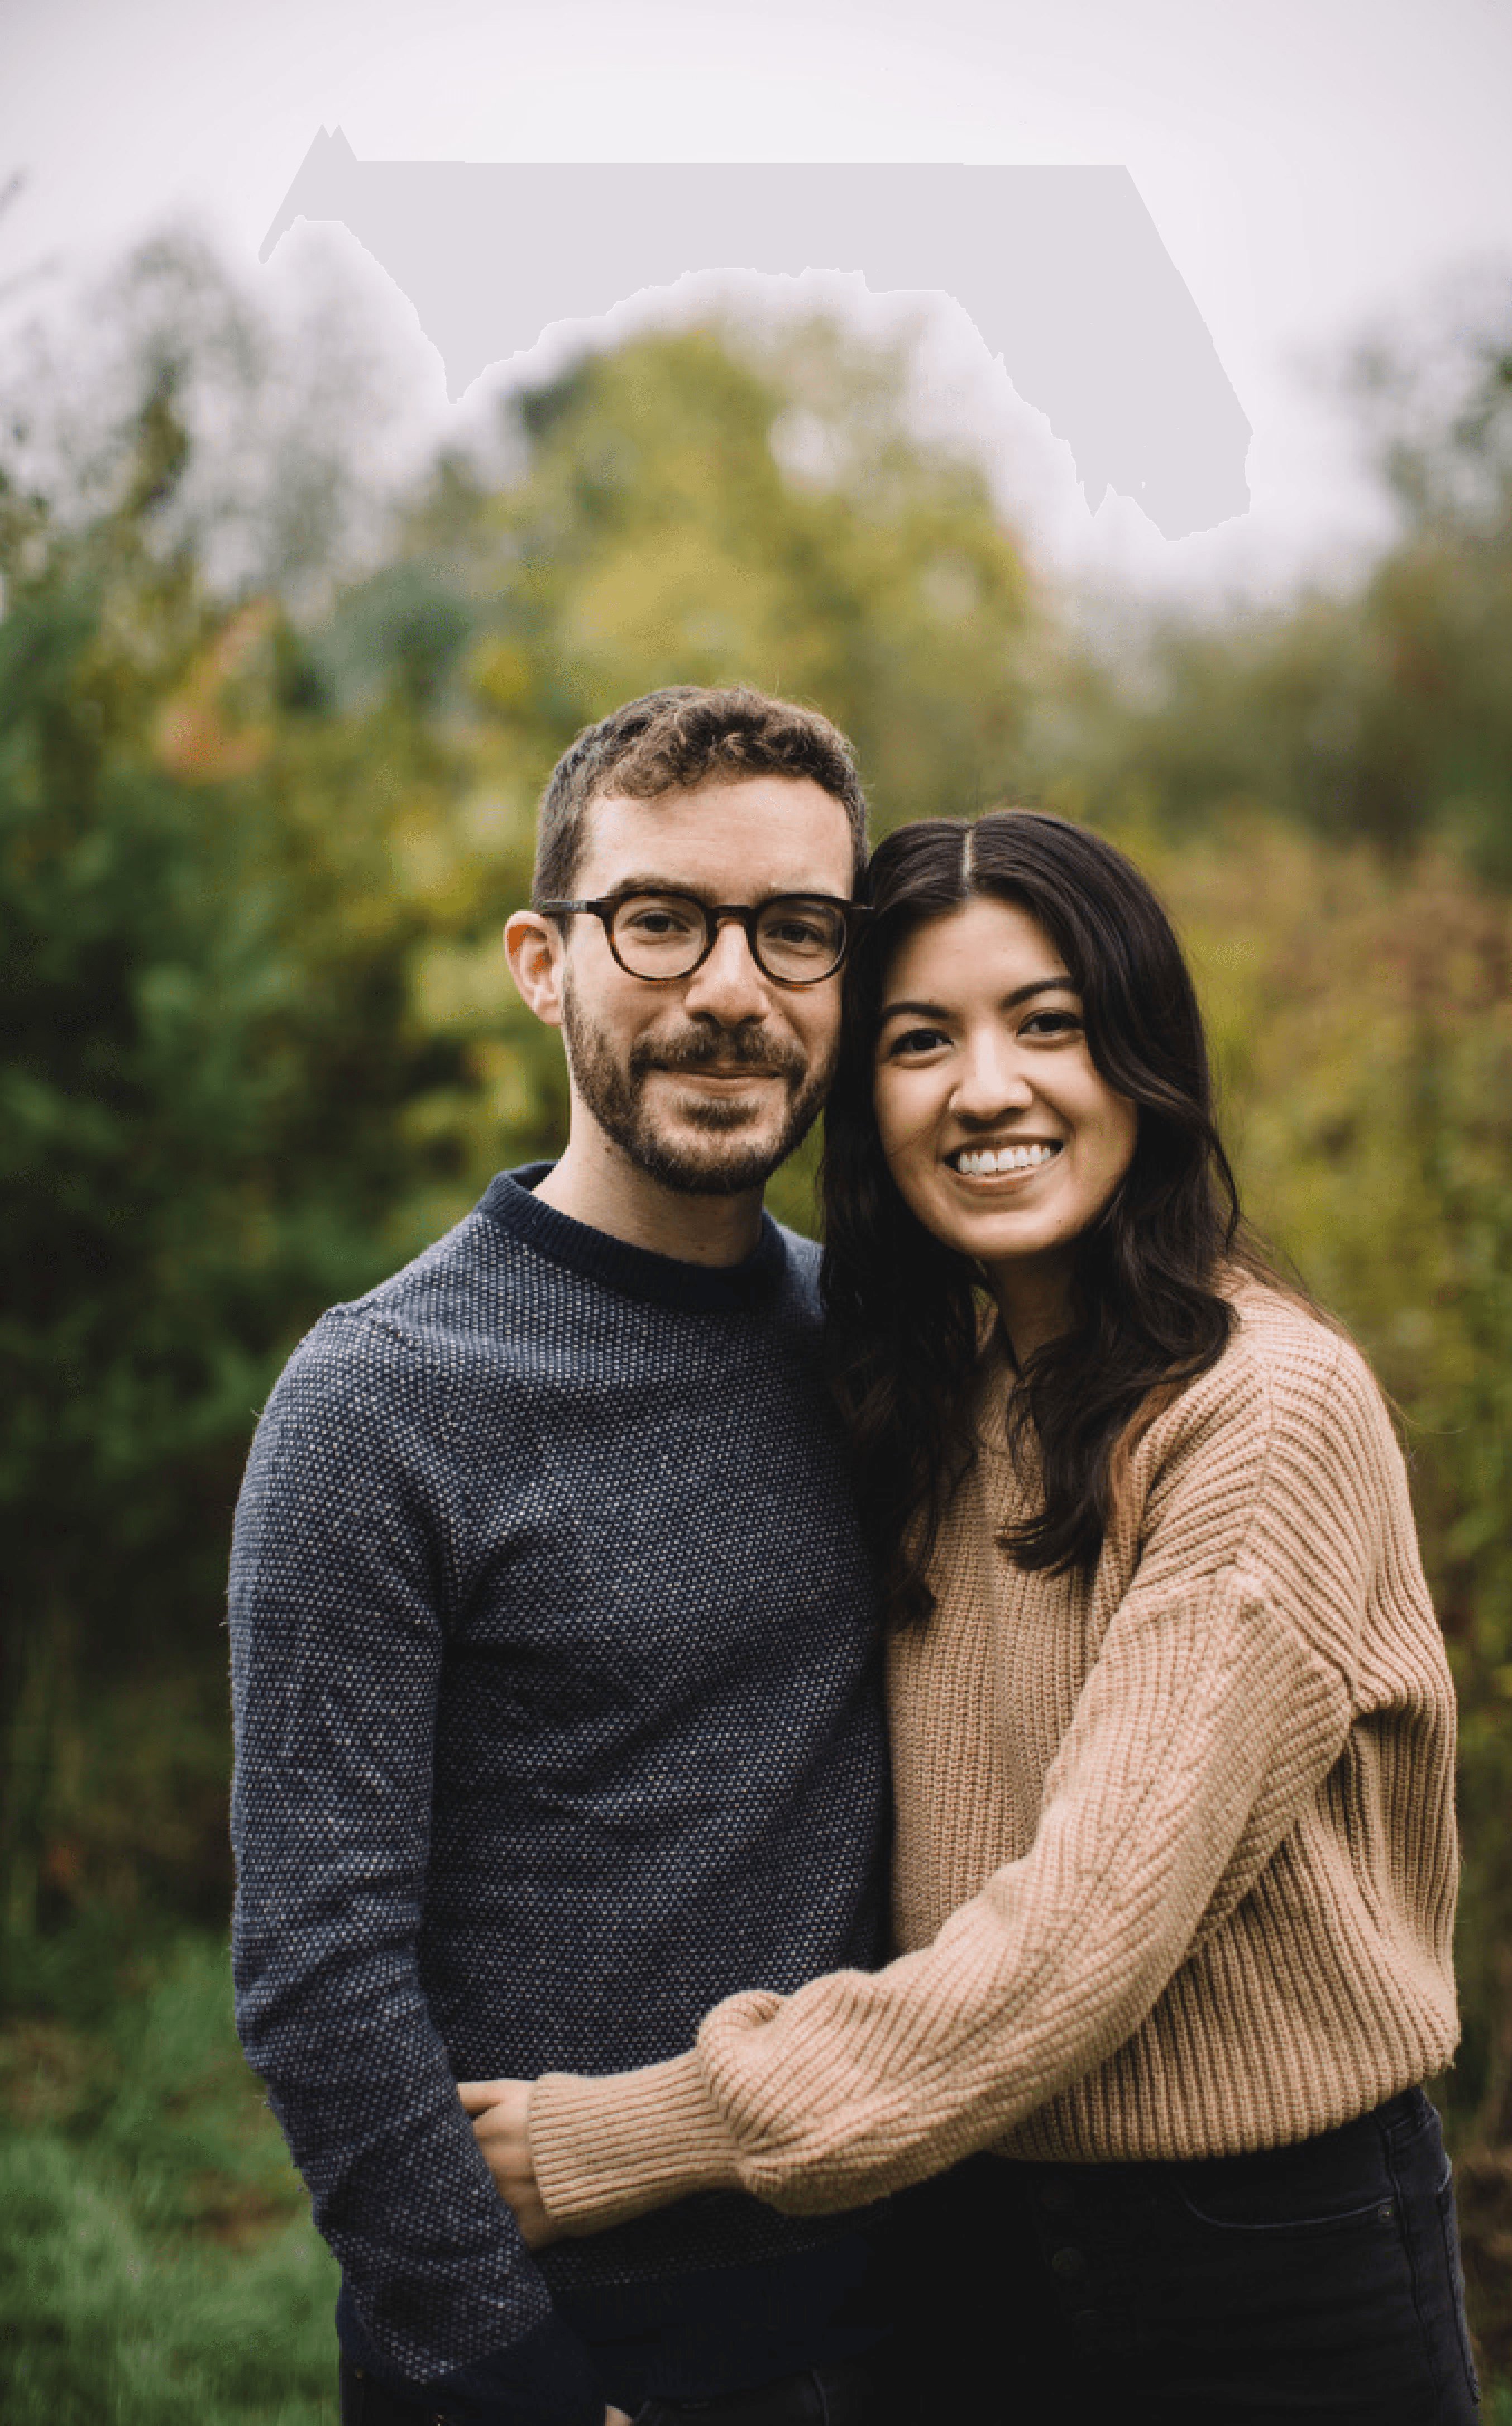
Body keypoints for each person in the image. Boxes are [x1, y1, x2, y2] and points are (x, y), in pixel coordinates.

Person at [461, 809, 1483, 2424]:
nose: (986, 1089)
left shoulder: (1264, 1414)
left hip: (1262, 2267)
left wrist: (616, 2139)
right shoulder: (937, 1396)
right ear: (864, 1096)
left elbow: (1075, 1947)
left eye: (1050, 1025)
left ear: (1143, 1059)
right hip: (961, 2230)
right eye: (921, 1038)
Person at [228, 686, 898, 2426]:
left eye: (797, 931)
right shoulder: (382, 1399)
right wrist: (512, 2374)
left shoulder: (891, 1356)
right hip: (559, 2346)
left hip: (910, 2306)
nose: (732, 991)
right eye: (662, 921)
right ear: (545, 961)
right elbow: (319, 1963)